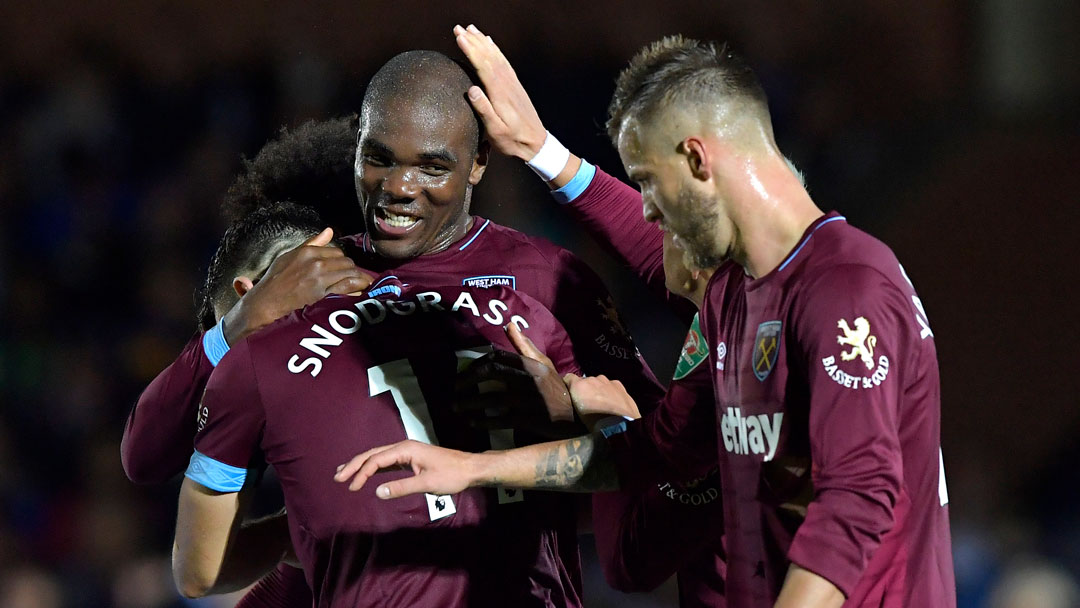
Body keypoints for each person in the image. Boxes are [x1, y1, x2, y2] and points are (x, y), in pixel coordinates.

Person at [337, 32, 956, 608]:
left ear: (697, 159)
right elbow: (647, 454)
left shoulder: (846, 287)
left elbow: (858, 502)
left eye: (647, 184)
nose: (650, 214)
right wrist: (473, 467)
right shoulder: (735, 300)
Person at [126, 50, 664, 603]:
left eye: (432, 167)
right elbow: (148, 461)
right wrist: (239, 323)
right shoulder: (304, 280)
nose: (400, 187)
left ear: (479, 161)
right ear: (357, 143)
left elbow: (667, 466)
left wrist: (575, 425)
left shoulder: (548, 279)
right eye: (379, 158)